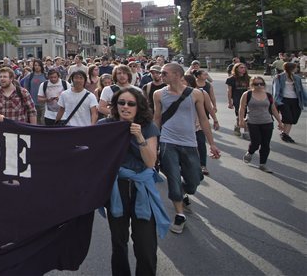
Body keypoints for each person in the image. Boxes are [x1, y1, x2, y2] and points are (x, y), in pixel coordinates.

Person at [97, 88, 169, 276]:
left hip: (141, 190)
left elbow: (151, 162)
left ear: (139, 106)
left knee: (145, 246)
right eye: (121, 103)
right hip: (116, 189)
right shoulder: (105, 124)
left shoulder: (147, 126)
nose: (125, 107)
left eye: (131, 104)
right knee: (119, 243)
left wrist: (139, 137)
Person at [153, 63, 220, 234]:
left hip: (190, 142)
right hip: (168, 142)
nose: (161, 75)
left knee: (194, 180)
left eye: (164, 73)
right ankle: (179, 214)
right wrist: (153, 144)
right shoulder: (159, 94)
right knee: (173, 178)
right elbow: (157, 119)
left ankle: (184, 191)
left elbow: (203, 119)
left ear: (177, 74)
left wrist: (211, 143)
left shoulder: (195, 94)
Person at [240, 76, 284, 172]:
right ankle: (250, 152)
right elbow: (242, 108)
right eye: (256, 84)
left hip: (267, 122)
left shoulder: (268, 95)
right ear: (252, 85)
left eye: (261, 84)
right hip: (253, 122)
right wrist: (241, 120)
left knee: (265, 144)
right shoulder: (247, 94)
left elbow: (273, 109)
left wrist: (280, 122)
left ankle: (262, 164)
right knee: (255, 143)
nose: (259, 86)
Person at [272, 62, 307, 143]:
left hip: (296, 100)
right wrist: (276, 101)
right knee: (288, 118)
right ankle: (285, 135)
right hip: (284, 100)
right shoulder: (279, 77)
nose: (297, 69)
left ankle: (284, 134)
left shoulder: (297, 78)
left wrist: (305, 99)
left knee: (293, 118)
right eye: (295, 67)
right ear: (291, 68)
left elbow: (301, 90)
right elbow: (275, 90)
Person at [226, 63, 251, 139]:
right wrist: (230, 102)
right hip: (237, 99)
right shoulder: (231, 79)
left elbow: (251, 89)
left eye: (244, 68)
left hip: (248, 98)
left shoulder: (248, 78)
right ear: (236, 69)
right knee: (240, 115)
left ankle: (246, 132)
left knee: (248, 115)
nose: (243, 69)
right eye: (241, 68)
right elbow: (229, 91)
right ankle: (238, 126)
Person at [21, 59, 47, 125]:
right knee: (35, 123)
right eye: (35, 65)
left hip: (44, 102)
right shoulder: (29, 76)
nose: (37, 67)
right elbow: (25, 89)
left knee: (43, 121)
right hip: (32, 103)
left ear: (41, 66)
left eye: (38, 65)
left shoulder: (46, 76)